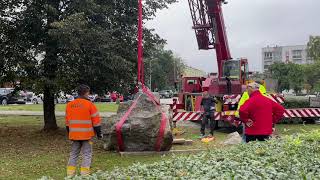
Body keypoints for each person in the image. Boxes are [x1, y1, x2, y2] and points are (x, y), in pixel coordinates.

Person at [65, 84, 102, 176]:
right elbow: (96, 122)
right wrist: (99, 134)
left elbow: (67, 122)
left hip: (74, 135)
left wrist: (70, 134)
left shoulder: (69, 105)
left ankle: (70, 174)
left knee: (73, 154)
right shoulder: (90, 105)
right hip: (87, 135)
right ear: (86, 93)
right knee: (87, 154)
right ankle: (84, 175)